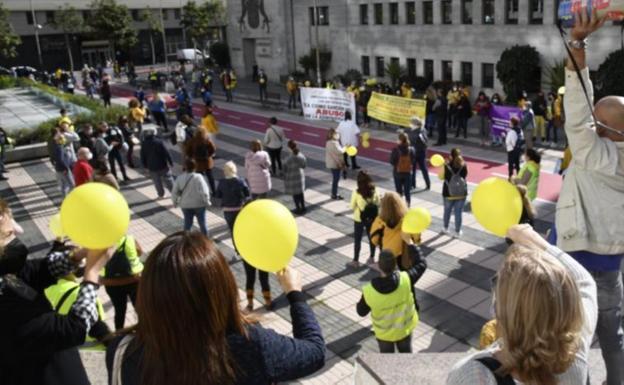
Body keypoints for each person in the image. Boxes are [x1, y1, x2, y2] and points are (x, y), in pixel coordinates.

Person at [105, 233, 325, 383]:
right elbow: (315, 351)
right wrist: (295, 294)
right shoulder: (249, 345)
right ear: (222, 289)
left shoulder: (123, 351)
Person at [553, 12, 624, 385]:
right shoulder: (614, 153)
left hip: (580, 262)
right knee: (613, 335)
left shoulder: (602, 156)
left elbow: (577, 116)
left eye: (599, 125)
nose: (591, 130)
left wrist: (578, 45)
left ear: (614, 132)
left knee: (571, 338)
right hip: (611, 267)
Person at [447, 224, 597, 385]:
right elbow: (584, 281)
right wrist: (539, 243)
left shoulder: (474, 374)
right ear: (569, 306)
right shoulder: (576, 351)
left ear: (502, 308)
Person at [0, 200, 114, 384]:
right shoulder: (7, 310)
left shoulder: (4, 276)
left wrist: (77, 255)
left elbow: (30, 272)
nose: (19, 232)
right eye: (9, 234)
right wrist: (92, 273)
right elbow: (73, 328)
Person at [357, 247, 427, 353]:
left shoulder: (369, 291)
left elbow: (361, 312)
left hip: (384, 335)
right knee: (406, 356)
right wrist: (411, 244)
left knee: (388, 362)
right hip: (404, 330)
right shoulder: (406, 279)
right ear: (395, 265)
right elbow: (422, 264)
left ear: (379, 266)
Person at [100, 235, 143, 331]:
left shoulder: (100, 242)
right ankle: (143, 330)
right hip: (133, 280)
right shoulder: (129, 238)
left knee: (119, 310)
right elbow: (140, 252)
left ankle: (119, 333)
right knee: (139, 308)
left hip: (111, 283)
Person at [369, 192, 421, 268]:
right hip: (404, 255)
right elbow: (416, 238)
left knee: (389, 277)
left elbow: (374, 239)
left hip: (387, 256)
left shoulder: (380, 221)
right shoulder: (408, 219)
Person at [216, 161, 250, 260]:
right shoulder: (241, 181)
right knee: (243, 230)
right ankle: (247, 248)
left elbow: (218, 195)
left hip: (228, 211)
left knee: (233, 231)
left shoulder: (222, 182)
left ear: (225, 171)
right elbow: (247, 193)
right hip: (240, 209)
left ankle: (238, 252)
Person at [349, 171, 381, 267]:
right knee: (372, 238)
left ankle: (356, 261)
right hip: (372, 218)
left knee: (357, 239)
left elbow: (352, 206)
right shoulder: (375, 190)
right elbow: (378, 203)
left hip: (359, 219)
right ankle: (372, 257)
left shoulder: (356, 192)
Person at [172, 158, 211, 235]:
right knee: (202, 224)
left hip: (185, 205)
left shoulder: (179, 178)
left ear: (185, 167)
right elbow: (205, 191)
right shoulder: (199, 177)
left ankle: (186, 240)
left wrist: (175, 203)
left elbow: (174, 192)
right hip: (199, 204)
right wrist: (207, 201)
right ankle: (206, 239)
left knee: (187, 224)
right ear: (195, 166)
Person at [140, 127, 174, 198]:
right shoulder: (159, 142)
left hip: (151, 166)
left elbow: (142, 156)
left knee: (157, 182)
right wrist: (170, 162)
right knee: (168, 179)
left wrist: (145, 166)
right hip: (162, 164)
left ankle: (161, 194)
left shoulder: (144, 144)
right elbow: (166, 153)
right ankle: (174, 193)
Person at [442, 148, 468, 237]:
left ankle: (445, 228)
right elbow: (464, 176)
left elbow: (444, 177)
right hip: (461, 193)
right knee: (458, 213)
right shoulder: (463, 165)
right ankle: (458, 231)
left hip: (448, 193)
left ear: (451, 155)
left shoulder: (447, 165)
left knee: (447, 211)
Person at [185, 126, 217, 195]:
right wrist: (209, 155)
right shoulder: (206, 139)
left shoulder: (192, 140)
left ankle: (203, 191)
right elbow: (213, 149)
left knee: (200, 178)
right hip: (207, 162)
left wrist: (192, 157)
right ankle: (214, 191)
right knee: (210, 177)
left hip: (198, 163)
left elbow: (187, 151)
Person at [390, 133, 416, 207]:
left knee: (399, 191)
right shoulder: (411, 149)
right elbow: (413, 161)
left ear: (400, 140)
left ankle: (399, 206)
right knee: (407, 192)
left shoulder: (395, 150)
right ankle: (408, 205)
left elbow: (392, 161)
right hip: (407, 173)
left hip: (397, 173)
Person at [49, 129, 75, 199]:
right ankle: (72, 199)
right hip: (63, 168)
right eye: (60, 133)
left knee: (63, 185)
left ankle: (64, 199)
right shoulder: (59, 147)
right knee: (71, 184)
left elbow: (52, 156)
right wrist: (65, 168)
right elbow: (60, 159)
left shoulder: (52, 143)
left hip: (58, 168)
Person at [283, 140, 307, 215]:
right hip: (300, 176)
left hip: (292, 178)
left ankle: (298, 208)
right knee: (301, 193)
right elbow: (304, 165)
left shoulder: (288, 159)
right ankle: (303, 207)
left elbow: (284, 169)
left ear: (289, 147)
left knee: (295, 194)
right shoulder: (301, 155)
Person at [407, 117, 431, 191]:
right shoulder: (412, 130)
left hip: (420, 153)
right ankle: (412, 184)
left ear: (415, 124)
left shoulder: (422, 131)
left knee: (423, 168)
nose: (410, 124)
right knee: (412, 169)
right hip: (413, 152)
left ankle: (428, 184)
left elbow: (425, 142)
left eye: (411, 123)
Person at [325, 128, 345, 200]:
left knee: (335, 179)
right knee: (336, 179)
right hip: (335, 163)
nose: (338, 135)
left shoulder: (328, 142)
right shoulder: (334, 143)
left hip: (332, 162)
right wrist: (345, 148)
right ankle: (334, 194)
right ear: (333, 135)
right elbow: (340, 151)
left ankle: (334, 193)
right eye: (336, 134)